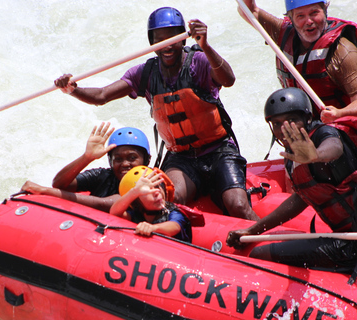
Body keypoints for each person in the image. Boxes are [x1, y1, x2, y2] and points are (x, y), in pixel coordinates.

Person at [54, 7, 259, 221]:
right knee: (169, 199)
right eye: (159, 40)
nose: (167, 45)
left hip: (218, 151)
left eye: (173, 38)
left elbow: (229, 80)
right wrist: (72, 89)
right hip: (181, 158)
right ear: (152, 44)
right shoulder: (144, 74)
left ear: (183, 39)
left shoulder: (198, 62)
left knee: (237, 205)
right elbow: (102, 95)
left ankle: (271, 245)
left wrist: (205, 46)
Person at [227, 87, 357, 274]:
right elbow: (301, 198)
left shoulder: (324, 135)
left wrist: (316, 155)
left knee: (259, 254)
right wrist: (253, 230)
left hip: (350, 243)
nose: (284, 129)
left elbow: (334, 147)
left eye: (292, 121)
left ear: (308, 118)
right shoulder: (293, 153)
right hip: (346, 238)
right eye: (277, 124)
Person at [238, 0, 357, 123]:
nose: (309, 21)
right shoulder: (282, 33)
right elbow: (249, 11)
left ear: (325, 11)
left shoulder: (343, 51)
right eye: (300, 16)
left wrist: (339, 113)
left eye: (314, 13)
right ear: (291, 18)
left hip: (340, 125)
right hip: (305, 123)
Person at [21, 122, 151, 212]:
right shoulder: (104, 175)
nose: (125, 164)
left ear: (146, 160)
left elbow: (104, 204)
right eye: (118, 159)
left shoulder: (151, 182)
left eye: (132, 158)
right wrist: (87, 157)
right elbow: (60, 184)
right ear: (110, 162)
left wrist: (44, 190)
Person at [110, 165, 192, 243]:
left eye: (157, 187)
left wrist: (153, 228)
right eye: (147, 191)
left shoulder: (173, 212)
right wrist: (134, 192)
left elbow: (175, 227)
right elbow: (115, 214)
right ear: (136, 203)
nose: (156, 192)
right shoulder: (136, 214)